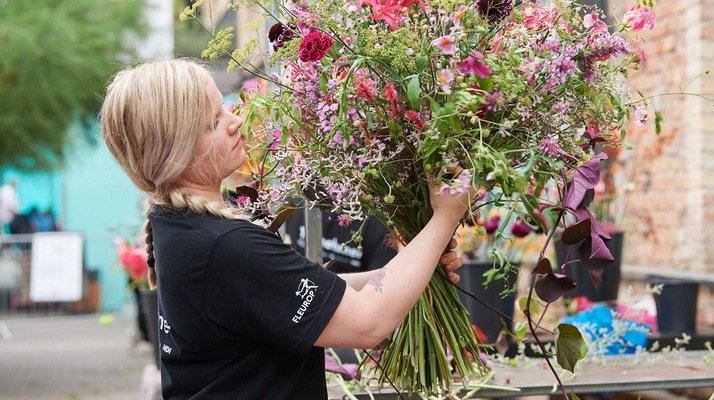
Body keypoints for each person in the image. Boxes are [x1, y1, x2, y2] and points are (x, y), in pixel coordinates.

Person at [99, 59, 471, 399]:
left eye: (223, 107)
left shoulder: (180, 227)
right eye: (213, 122)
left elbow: (303, 294)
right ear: (175, 150)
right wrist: (445, 215)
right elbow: (366, 323)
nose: (235, 121)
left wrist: (418, 268)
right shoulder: (223, 245)